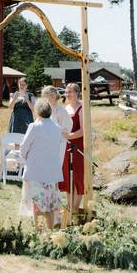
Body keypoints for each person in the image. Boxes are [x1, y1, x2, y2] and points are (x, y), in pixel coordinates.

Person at [18, 99, 64, 230]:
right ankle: (50, 229)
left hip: (35, 170)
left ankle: (37, 228)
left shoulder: (34, 126)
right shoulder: (57, 128)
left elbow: (23, 147)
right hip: (52, 172)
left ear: (37, 111)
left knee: (36, 201)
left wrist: (26, 158)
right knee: (49, 203)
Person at [58, 82, 86, 213]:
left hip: (78, 145)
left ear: (77, 93)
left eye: (70, 92)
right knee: (67, 175)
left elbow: (83, 130)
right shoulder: (65, 108)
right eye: (66, 91)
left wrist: (68, 136)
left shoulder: (82, 108)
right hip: (65, 146)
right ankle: (69, 207)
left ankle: (75, 208)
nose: (67, 94)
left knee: (77, 175)